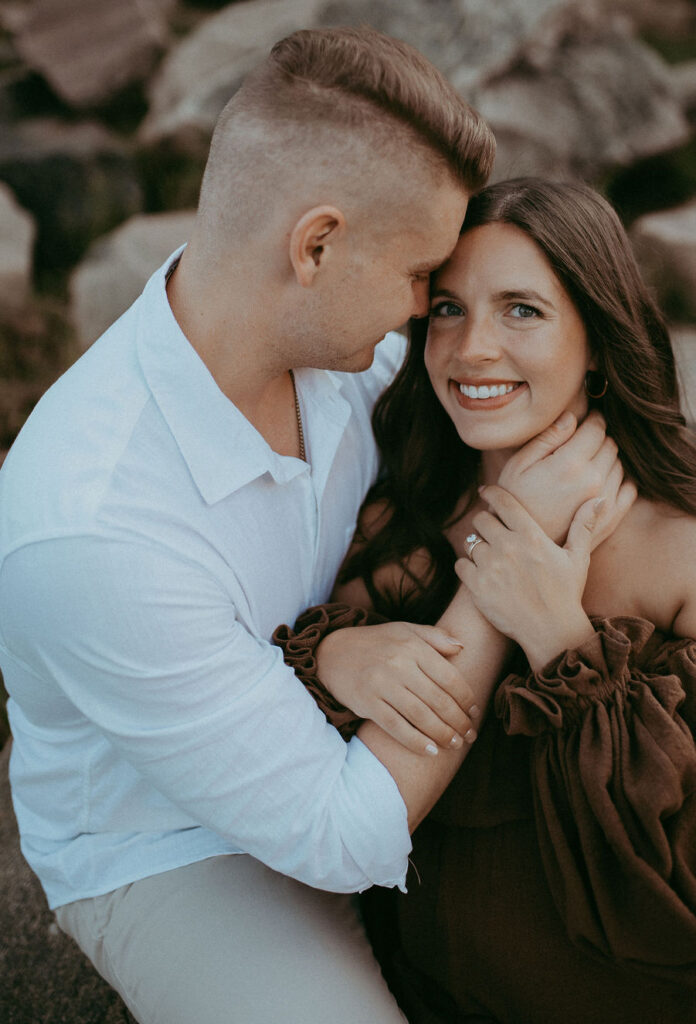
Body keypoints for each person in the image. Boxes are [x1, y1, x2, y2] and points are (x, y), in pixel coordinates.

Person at [0, 27, 633, 1024]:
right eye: (423, 275)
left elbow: (529, 412)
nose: (433, 310)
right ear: (316, 246)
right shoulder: (91, 526)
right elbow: (340, 830)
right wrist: (500, 573)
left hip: (355, 720)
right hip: (176, 845)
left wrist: (334, 654)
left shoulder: (348, 355)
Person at [275, 177, 696, 1024]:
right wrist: (331, 654)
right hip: (435, 998)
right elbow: (291, 782)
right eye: (447, 308)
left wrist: (562, 643)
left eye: (521, 310)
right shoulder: (397, 523)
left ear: (597, 341)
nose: (472, 347)